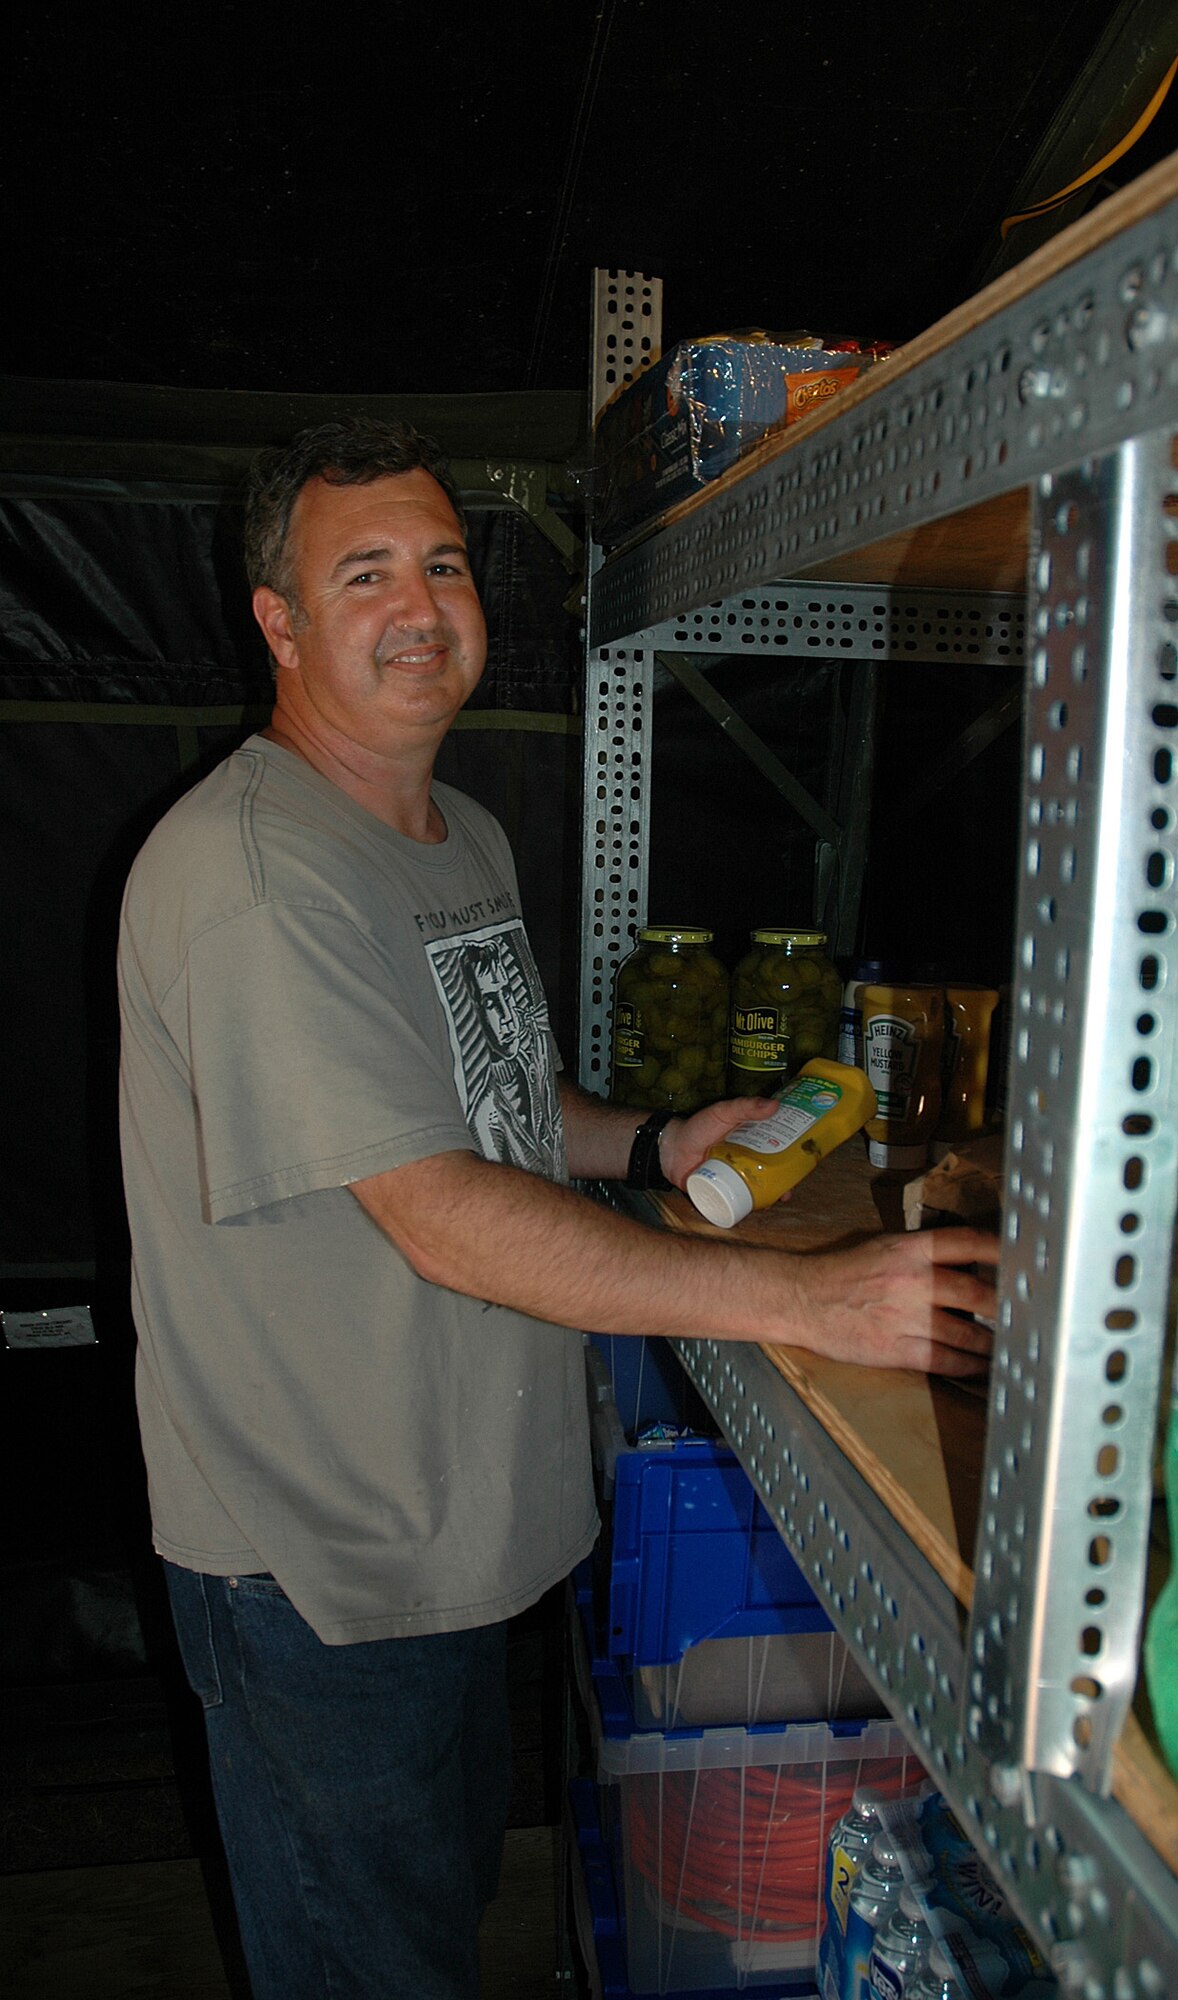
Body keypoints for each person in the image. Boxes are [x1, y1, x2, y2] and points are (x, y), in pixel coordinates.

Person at [117, 418, 996, 2000]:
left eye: (443, 564)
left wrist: (657, 1143)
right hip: (318, 1564)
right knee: (365, 1967)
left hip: (445, 1527)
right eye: (363, 572)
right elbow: (440, 1209)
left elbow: (496, 1111)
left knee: (432, 1926)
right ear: (281, 623)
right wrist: (809, 1299)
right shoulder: (258, 873)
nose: (419, 605)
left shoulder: (457, 835)